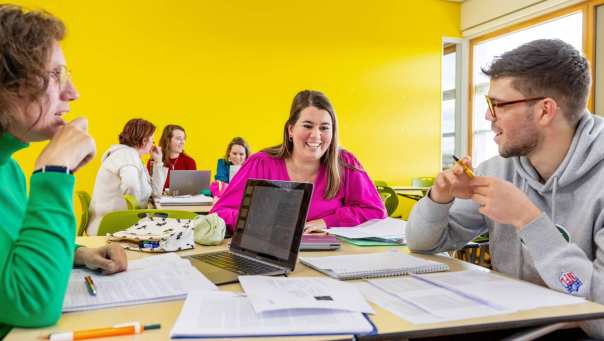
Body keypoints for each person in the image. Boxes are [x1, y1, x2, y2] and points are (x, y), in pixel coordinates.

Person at [406, 39, 604, 338]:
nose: (488, 117)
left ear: (544, 111)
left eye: (497, 104)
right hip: (511, 324)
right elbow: (422, 244)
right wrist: (439, 199)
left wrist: (528, 220)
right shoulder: (499, 169)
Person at [0, 5, 126, 337]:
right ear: (6, 86)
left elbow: (11, 250)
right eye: (55, 75)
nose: (73, 93)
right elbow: (31, 302)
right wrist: (53, 173)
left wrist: (79, 253)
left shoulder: (8, 170)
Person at [210, 90, 386, 233]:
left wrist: (328, 221)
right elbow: (219, 213)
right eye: (308, 126)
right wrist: (257, 220)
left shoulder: (346, 163)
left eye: (324, 128)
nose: (316, 135)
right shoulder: (260, 163)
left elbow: (375, 211)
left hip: (331, 259)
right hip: (269, 255)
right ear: (291, 130)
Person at [88, 118, 166, 235]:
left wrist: (158, 161)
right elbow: (131, 185)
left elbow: (156, 193)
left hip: (110, 222)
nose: (153, 144)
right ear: (144, 141)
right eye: (152, 141)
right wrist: (139, 209)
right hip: (112, 225)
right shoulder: (127, 156)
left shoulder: (131, 156)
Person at [147, 124, 196, 191]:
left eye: (184, 139)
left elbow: (192, 190)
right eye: (178, 139)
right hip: (160, 200)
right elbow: (150, 188)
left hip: (183, 201)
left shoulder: (189, 162)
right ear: (168, 140)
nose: (183, 142)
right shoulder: (154, 161)